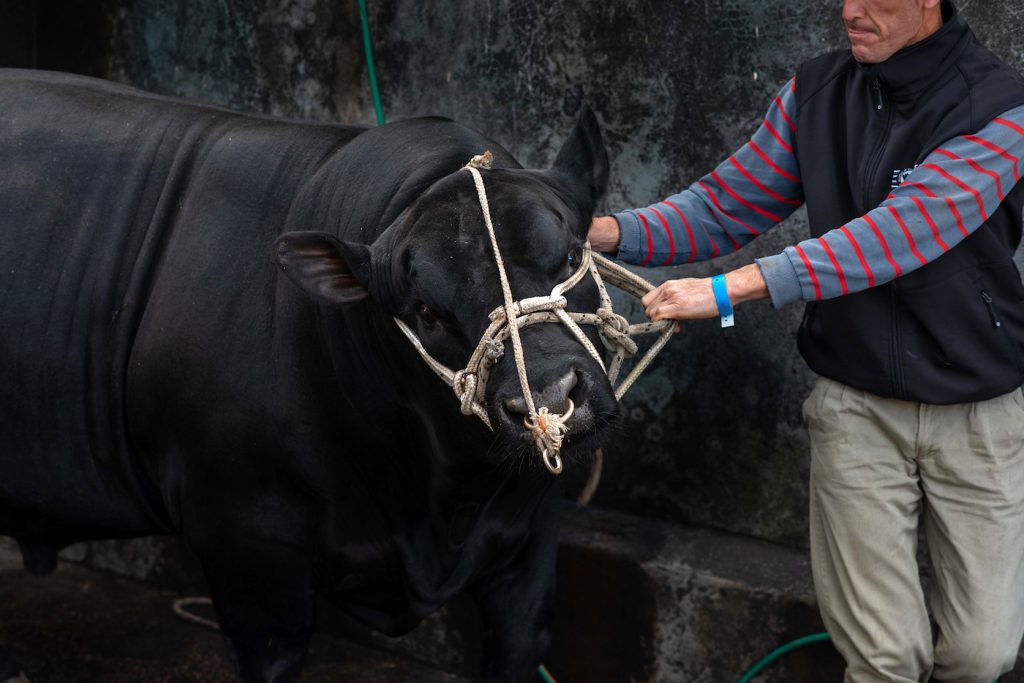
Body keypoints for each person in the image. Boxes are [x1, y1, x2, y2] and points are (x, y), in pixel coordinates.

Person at [589, 1, 1024, 681]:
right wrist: (600, 231)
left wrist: (733, 289)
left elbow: (902, 233)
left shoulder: (1002, 108)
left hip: (978, 411)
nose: (853, 10)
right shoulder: (817, 91)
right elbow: (723, 205)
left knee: (983, 652)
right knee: (884, 658)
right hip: (857, 406)